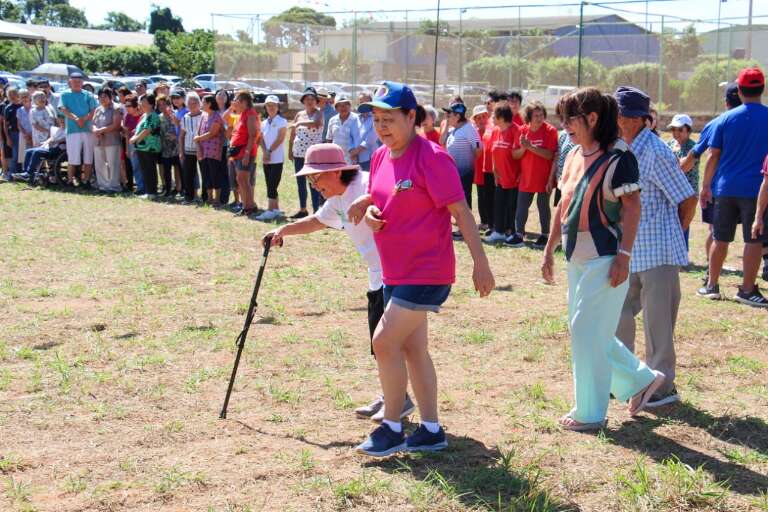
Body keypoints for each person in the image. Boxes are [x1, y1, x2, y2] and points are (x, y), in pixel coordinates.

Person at [347, 82, 495, 456]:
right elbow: (382, 198)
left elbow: (461, 212)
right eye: (377, 120)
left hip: (427, 271)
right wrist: (370, 211)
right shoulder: (381, 156)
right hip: (394, 270)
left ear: (411, 117)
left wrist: (481, 263)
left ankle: (393, 426)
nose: (382, 127)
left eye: (390, 119)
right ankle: (430, 430)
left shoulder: (433, 157)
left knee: (383, 341)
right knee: (413, 349)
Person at [541, 87, 666, 431]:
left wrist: (624, 256)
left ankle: (591, 412)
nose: (564, 125)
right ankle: (640, 380)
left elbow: (632, 206)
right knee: (588, 330)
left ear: (592, 118)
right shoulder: (572, 154)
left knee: (585, 330)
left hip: (606, 257)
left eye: (570, 117)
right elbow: (563, 204)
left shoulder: (619, 157)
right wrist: (550, 247)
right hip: (576, 257)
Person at [265, 143, 416, 422]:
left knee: (390, 342)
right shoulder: (337, 199)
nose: (312, 183)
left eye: (315, 177)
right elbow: (317, 221)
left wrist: (369, 201)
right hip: (378, 275)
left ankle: (400, 401)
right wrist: (283, 229)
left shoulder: (368, 183)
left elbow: (397, 194)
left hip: (399, 272)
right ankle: (392, 395)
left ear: (335, 172)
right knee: (378, 342)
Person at [613, 86, 697, 409]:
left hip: (658, 252)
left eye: (617, 114)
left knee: (658, 324)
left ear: (630, 118)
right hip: (631, 250)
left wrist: (674, 231)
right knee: (618, 312)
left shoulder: (656, 151)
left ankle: (662, 388)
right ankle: (628, 378)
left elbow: (686, 199)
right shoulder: (623, 146)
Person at [698, 67, 768, 307]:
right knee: (754, 240)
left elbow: (712, 155)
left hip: (725, 187)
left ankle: (711, 285)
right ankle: (747, 290)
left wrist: (706, 186)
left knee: (720, 237)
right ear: (762, 89)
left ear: (739, 90)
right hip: (757, 189)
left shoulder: (725, 119)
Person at [681, 83, 742, 283]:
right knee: (756, 237)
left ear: (726, 102)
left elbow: (697, 153)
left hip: (719, 186)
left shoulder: (718, 122)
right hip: (754, 186)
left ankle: (711, 272)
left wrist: (680, 169)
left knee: (715, 231)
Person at [511, 101, 558, 248]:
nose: (539, 118)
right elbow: (515, 155)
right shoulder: (522, 130)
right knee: (522, 206)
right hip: (526, 177)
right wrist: (524, 149)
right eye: (536, 115)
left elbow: (550, 155)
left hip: (545, 177)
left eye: (541, 115)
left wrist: (530, 147)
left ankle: (545, 235)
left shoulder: (550, 130)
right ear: (529, 117)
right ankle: (519, 234)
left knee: (543, 205)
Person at [443, 102, 482, 237]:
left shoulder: (469, 129)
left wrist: (468, 162)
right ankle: (460, 227)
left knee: (464, 200)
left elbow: (478, 150)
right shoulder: (452, 129)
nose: (447, 116)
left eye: (450, 114)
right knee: (454, 200)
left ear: (458, 115)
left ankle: (465, 230)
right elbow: (442, 142)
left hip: (464, 172)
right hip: (453, 173)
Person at [484, 105, 521, 245]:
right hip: (500, 176)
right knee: (499, 203)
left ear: (501, 117)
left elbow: (520, 155)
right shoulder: (496, 130)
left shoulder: (516, 130)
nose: (492, 118)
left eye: (494, 115)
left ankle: (510, 232)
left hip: (513, 176)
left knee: (511, 206)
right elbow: (494, 151)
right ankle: (498, 231)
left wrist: (521, 173)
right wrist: (495, 170)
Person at [289, 87, 324, 218]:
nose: (309, 101)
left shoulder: (319, 113)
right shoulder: (299, 114)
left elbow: (316, 123)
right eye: (307, 99)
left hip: (313, 155)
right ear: (303, 101)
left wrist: (298, 124)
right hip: (298, 153)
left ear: (316, 101)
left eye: (312, 99)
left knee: (314, 183)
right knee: (300, 183)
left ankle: (316, 211)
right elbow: (292, 133)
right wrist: (290, 150)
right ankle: (303, 209)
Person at [59, 73, 97, 188]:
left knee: (88, 156)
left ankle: (86, 181)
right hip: (72, 130)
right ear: (70, 82)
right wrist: (76, 119)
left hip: (87, 129)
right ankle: (70, 181)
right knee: (72, 157)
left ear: (82, 83)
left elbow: (93, 110)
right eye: (74, 81)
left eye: (79, 81)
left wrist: (84, 119)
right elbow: (63, 109)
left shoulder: (88, 95)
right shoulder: (64, 94)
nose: (76, 83)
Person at [666, 114, 698, 250]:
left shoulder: (694, 147)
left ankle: (682, 253)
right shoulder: (669, 145)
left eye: (680, 130)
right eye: (673, 129)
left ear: (688, 131)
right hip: (671, 191)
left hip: (687, 194)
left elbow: (682, 168)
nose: (676, 133)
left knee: (683, 222)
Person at [254, 95, 287, 221]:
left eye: (273, 105)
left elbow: (280, 138)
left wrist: (269, 151)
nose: (271, 107)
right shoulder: (263, 122)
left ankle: (270, 210)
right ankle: (275, 209)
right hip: (267, 157)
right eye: (268, 105)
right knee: (269, 183)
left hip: (276, 158)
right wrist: (264, 151)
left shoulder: (282, 121)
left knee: (272, 184)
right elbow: (261, 138)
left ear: (278, 107)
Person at [229, 90, 260, 216]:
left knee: (243, 179)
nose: (235, 102)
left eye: (237, 100)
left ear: (244, 101)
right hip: (238, 152)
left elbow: (253, 135)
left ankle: (249, 206)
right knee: (240, 179)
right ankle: (248, 205)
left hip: (245, 152)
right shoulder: (243, 113)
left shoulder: (251, 114)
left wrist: (247, 153)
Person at [194, 95, 226, 206]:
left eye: (203, 102)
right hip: (203, 150)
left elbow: (213, 133)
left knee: (214, 174)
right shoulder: (203, 116)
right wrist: (198, 145)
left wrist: (198, 139)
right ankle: (209, 198)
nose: (201, 104)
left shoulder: (217, 116)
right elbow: (198, 132)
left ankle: (217, 199)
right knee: (206, 173)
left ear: (209, 104)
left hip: (213, 150)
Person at [129, 93, 161, 199]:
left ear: (151, 104)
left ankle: (152, 192)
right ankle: (148, 191)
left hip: (150, 147)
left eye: (144, 102)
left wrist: (135, 138)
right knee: (144, 169)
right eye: (141, 102)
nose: (141, 104)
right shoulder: (144, 115)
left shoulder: (153, 115)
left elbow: (147, 130)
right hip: (141, 147)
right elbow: (141, 128)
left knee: (149, 169)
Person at [91, 88, 123, 193]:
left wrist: (101, 130)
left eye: (105, 96)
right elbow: (93, 123)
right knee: (99, 163)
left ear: (111, 97)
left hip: (112, 140)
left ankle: (113, 186)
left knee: (113, 164)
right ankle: (103, 185)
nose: (102, 99)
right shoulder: (98, 109)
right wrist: (95, 130)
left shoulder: (116, 108)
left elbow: (116, 124)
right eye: (100, 97)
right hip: (98, 140)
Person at [550, 102, 577, 207]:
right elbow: (558, 157)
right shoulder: (562, 134)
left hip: (573, 184)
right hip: (561, 182)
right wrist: (552, 177)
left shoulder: (581, 135)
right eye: (560, 115)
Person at [22, 120, 66, 184]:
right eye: (61, 122)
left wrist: (55, 142)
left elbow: (65, 139)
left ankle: (29, 172)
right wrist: (44, 143)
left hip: (57, 150)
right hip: (50, 147)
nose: (61, 123)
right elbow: (51, 138)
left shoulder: (67, 131)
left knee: (37, 152)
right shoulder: (58, 130)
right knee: (28, 151)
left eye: (63, 122)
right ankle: (26, 173)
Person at [471, 104, 493, 231]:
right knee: (481, 195)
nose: (481, 120)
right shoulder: (473, 133)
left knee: (490, 196)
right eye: (478, 118)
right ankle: (484, 221)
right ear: (474, 120)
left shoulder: (492, 131)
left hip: (490, 169)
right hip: (478, 169)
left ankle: (491, 222)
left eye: (484, 116)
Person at [179, 92, 203, 203]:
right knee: (188, 174)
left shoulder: (204, 115)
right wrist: (181, 151)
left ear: (199, 103)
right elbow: (182, 135)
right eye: (190, 103)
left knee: (204, 173)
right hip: (188, 149)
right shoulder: (185, 117)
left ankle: (205, 197)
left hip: (202, 149)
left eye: (195, 103)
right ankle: (189, 197)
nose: (192, 105)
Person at [326, 95, 363, 165]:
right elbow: (329, 139)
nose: (343, 107)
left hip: (352, 158)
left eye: (346, 104)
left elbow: (360, 138)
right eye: (340, 105)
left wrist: (356, 153)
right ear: (336, 108)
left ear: (350, 106)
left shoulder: (357, 118)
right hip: (336, 158)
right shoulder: (332, 120)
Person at [157, 94, 181, 197]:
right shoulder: (158, 118)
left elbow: (181, 128)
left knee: (178, 169)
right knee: (167, 170)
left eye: (164, 104)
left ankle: (180, 189)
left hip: (177, 147)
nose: (162, 107)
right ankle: (168, 190)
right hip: (165, 148)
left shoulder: (175, 115)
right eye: (159, 105)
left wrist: (175, 136)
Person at [356, 92, 380, 172]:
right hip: (356, 159)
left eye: (365, 102)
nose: (363, 104)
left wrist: (354, 152)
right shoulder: (356, 118)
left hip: (370, 159)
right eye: (360, 102)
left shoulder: (375, 117)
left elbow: (370, 140)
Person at [3, 87, 22, 179]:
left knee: (22, 154)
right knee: (14, 155)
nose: (11, 96)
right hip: (13, 133)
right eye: (9, 95)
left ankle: (20, 173)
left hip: (23, 133)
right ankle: (12, 174)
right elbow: (5, 125)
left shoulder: (22, 105)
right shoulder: (8, 108)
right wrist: (7, 137)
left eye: (13, 94)